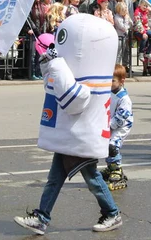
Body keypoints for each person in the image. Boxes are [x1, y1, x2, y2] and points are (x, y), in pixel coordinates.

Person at [14, 14, 122, 235]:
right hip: (71, 132)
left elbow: (74, 100)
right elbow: (53, 86)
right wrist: (48, 65)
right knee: (55, 178)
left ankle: (112, 213)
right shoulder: (69, 67)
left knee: (92, 177)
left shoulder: (84, 74)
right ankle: (42, 217)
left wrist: (55, 63)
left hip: (83, 132)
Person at [100, 64, 133, 190]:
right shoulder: (109, 92)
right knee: (106, 145)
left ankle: (117, 170)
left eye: (113, 81)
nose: (110, 83)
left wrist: (109, 127)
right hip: (111, 123)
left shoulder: (124, 99)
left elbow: (121, 116)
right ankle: (111, 168)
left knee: (113, 145)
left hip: (122, 125)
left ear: (122, 81)